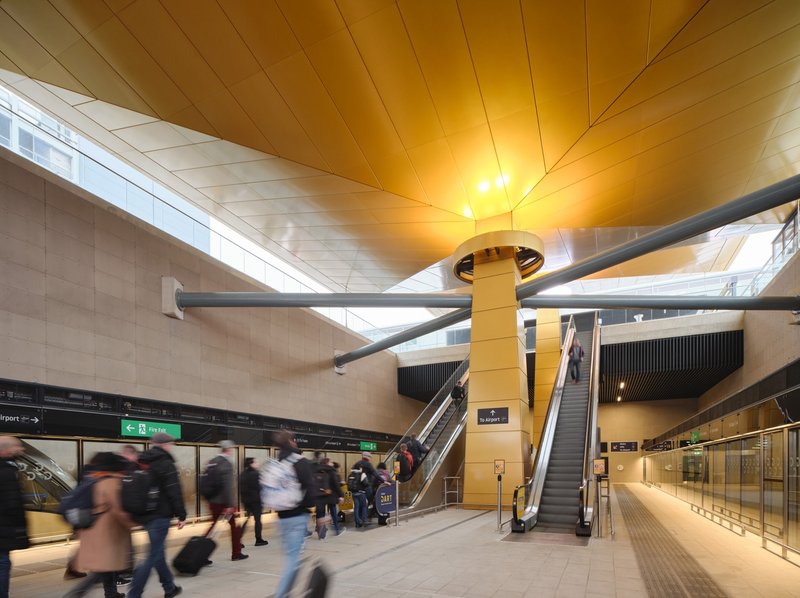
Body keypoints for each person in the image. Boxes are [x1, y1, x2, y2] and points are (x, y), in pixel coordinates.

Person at [63, 452, 134, 598]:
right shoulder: (110, 481)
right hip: (106, 531)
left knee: (107, 565)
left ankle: (111, 593)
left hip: (96, 529)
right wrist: (131, 523)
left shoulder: (95, 477)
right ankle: (76, 594)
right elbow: (117, 509)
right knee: (102, 567)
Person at [126, 432, 186, 598]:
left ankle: (169, 587)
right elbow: (174, 491)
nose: (171, 446)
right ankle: (134, 594)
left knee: (158, 553)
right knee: (152, 556)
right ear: (165, 444)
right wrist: (181, 514)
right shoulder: (165, 463)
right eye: (171, 444)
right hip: (160, 515)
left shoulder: (141, 461)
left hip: (144, 514)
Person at [270, 430, 315, 598]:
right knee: (292, 559)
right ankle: (282, 594)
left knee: (291, 556)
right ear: (290, 442)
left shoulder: (276, 462)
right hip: (297, 516)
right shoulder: (299, 461)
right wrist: (315, 509)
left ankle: (286, 592)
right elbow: (309, 486)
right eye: (294, 440)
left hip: (281, 517)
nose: (296, 443)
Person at [204, 440, 247, 561]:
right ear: (229, 449)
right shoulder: (226, 464)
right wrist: (229, 505)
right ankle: (236, 553)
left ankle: (201, 553)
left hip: (213, 501)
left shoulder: (212, 462)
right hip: (224, 503)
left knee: (213, 527)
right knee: (234, 527)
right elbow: (228, 486)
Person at [0, 436, 29, 598]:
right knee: (2, 563)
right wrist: (20, 530)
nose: (21, 450)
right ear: (6, 450)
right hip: (3, 530)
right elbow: (14, 504)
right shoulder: (7, 471)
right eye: (17, 446)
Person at [239, 457, 267, 546]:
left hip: (246, 500)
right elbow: (259, 487)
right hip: (256, 500)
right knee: (257, 520)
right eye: (255, 462)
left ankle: (238, 539)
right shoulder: (255, 474)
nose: (257, 464)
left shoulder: (242, 474)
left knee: (247, 519)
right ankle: (258, 539)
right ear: (251, 464)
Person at [314, 457, 343, 538]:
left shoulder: (316, 470)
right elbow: (336, 485)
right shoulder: (331, 471)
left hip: (319, 495)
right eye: (331, 462)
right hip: (331, 495)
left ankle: (321, 534)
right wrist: (341, 495)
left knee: (320, 514)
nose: (332, 463)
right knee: (333, 513)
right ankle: (337, 530)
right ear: (327, 463)